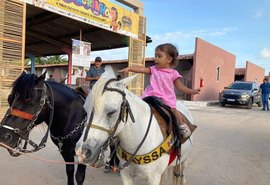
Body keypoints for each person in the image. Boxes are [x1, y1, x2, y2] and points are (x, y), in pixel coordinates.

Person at [118, 43, 200, 138]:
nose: (155, 58)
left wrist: (193, 91)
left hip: (166, 98)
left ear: (169, 59)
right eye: (155, 55)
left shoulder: (174, 73)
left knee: (174, 110)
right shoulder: (154, 70)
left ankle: (182, 126)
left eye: (159, 56)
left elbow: (180, 87)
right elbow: (142, 69)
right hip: (151, 96)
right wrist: (130, 68)